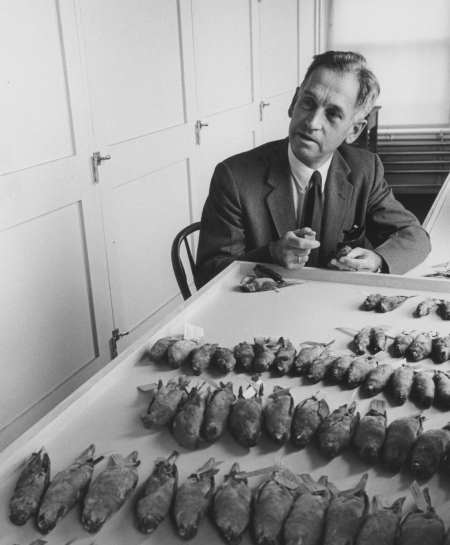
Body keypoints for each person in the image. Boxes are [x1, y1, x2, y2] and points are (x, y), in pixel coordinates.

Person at [195, 51, 431, 288]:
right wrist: (271, 254)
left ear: (354, 130)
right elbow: (207, 272)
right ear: (293, 102)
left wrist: (377, 260)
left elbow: (414, 235)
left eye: (333, 114)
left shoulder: (365, 169)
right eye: (308, 103)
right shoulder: (235, 176)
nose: (312, 122)